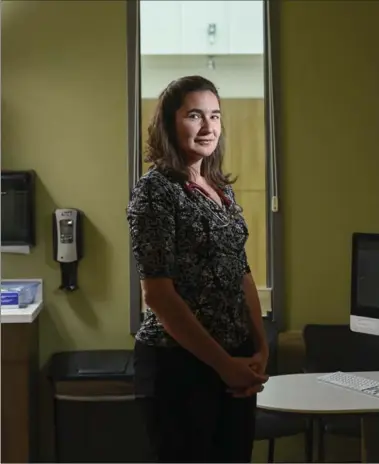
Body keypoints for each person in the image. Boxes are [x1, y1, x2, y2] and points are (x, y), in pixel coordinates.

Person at [127, 75, 269, 463]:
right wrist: (224, 366)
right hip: (178, 367)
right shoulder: (155, 190)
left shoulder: (221, 190)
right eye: (195, 115)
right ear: (170, 124)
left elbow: (242, 273)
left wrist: (260, 347)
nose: (208, 127)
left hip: (235, 362)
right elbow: (157, 294)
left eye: (215, 116)